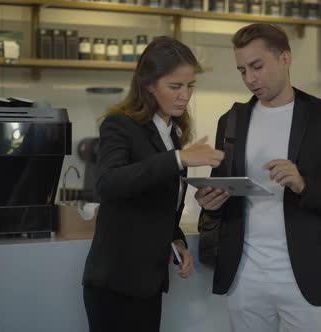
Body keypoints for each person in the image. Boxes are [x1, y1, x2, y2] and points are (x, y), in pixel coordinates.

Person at [195, 24, 321, 332]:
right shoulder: (230, 121)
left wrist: (303, 184)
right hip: (244, 277)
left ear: (285, 59)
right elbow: (221, 186)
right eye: (242, 70)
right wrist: (211, 201)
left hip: (306, 275)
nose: (250, 79)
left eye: (257, 67)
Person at [81, 36, 224, 332]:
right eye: (175, 86)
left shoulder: (172, 134)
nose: (185, 95)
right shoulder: (119, 125)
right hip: (115, 284)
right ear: (148, 85)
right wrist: (178, 158)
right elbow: (108, 183)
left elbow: (158, 203)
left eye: (189, 86)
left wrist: (176, 241)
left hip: (148, 283)